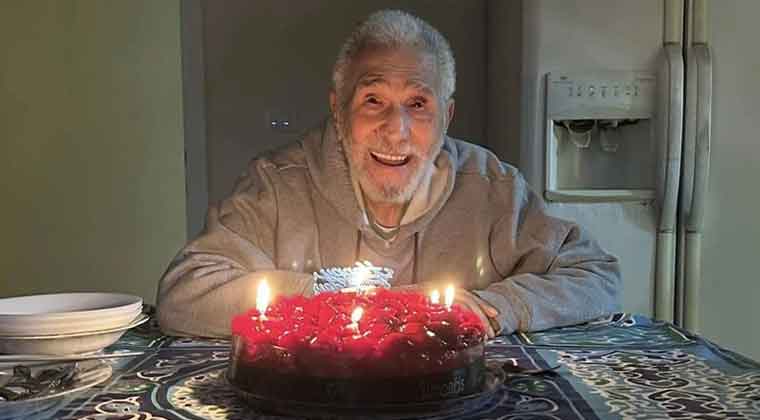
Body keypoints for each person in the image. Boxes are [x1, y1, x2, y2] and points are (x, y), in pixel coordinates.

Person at [157, 10, 620, 338]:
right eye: (373, 100)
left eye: (418, 104)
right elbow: (184, 296)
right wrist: (335, 295)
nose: (396, 131)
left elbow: (595, 275)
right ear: (338, 109)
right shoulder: (277, 185)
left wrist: (493, 308)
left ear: (446, 116)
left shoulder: (492, 188)